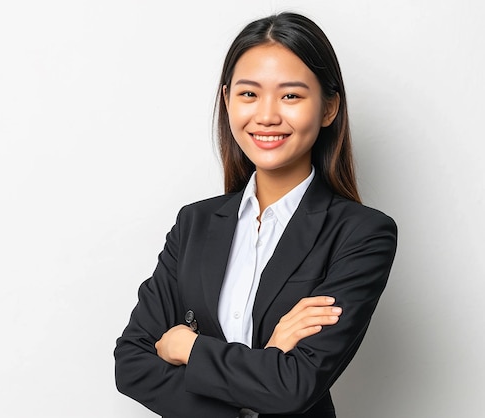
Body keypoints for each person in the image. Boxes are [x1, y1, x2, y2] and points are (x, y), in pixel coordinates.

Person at [114, 11, 397, 418]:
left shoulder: (362, 234)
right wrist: (266, 366)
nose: (266, 115)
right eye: (249, 94)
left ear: (329, 108)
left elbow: (296, 385)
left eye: (291, 96)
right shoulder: (193, 224)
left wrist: (190, 348)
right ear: (227, 99)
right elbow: (132, 364)